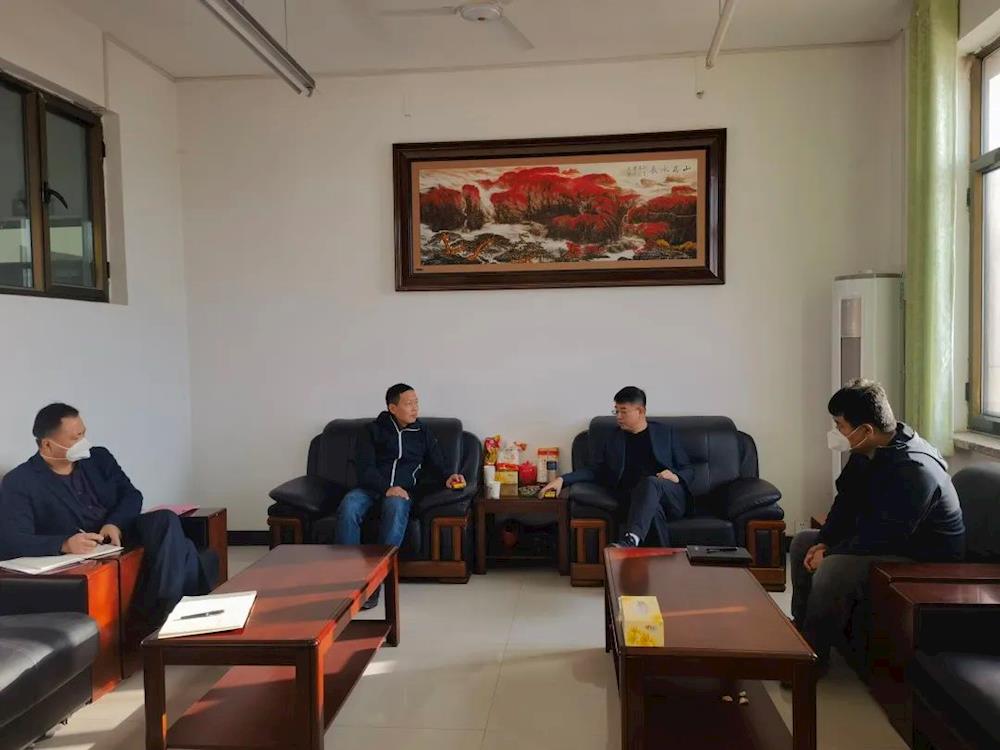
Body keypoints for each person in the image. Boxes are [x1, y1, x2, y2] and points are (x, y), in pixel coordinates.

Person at [789, 379, 965, 676]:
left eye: (840, 425)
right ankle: (801, 630)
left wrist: (830, 553)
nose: (836, 432)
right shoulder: (867, 450)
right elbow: (845, 502)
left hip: (922, 557)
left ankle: (813, 657)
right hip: (883, 539)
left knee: (833, 568)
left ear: (866, 430)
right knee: (802, 543)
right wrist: (824, 541)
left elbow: (887, 536)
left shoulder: (915, 469)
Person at [0, 403, 217, 627]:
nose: (83, 442)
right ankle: (167, 617)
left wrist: (115, 523)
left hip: (119, 533)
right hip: (84, 550)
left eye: (83, 433)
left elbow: (132, 495)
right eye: (75, 438)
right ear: (47, 444)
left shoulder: (98, 457)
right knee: (185, 550)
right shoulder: (20, 481)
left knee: (166, 519)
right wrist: (65, 543)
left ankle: (162, 615)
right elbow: (11, 540)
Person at [336, 383, 465, 608]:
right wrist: (386, 487)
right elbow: (365, 468)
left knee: (396, 504)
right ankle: (349, 580)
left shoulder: (423, 432)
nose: (415, 408)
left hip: (403, 491)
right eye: (408, 403)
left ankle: (375, 583)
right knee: (349, 505)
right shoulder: (371, 431)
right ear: (393, 408)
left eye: (416, 403)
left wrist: (449, 477)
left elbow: (438, 464)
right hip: (370, 488)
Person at [538, 386, 693, 547]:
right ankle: (659, 559)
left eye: (623, 411)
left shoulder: (665, 433)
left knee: (650, 482)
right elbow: (595, 471)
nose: (618, 417)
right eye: (616, 411)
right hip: (635, 501)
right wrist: (562, 480)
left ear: (640, 411)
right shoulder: (612, 439)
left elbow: (688, 469)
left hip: (670, 497)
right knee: (651, 510)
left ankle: (631, 538)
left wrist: (675, 476)